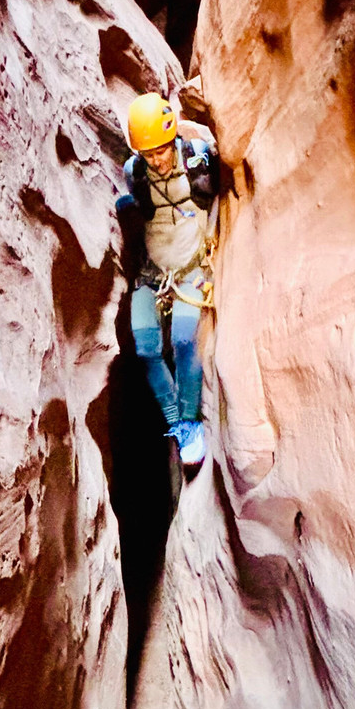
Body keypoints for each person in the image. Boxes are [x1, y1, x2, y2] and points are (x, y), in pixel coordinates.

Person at [116, 92, 219, 467]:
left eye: (161, 149)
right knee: (145, 347)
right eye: (149, 153)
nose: (157, 159)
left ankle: (189, 422)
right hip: (152, 274)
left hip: (191, 269)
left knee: (182, 340)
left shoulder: (197, 162)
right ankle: (176, 421)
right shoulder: (135, 173)